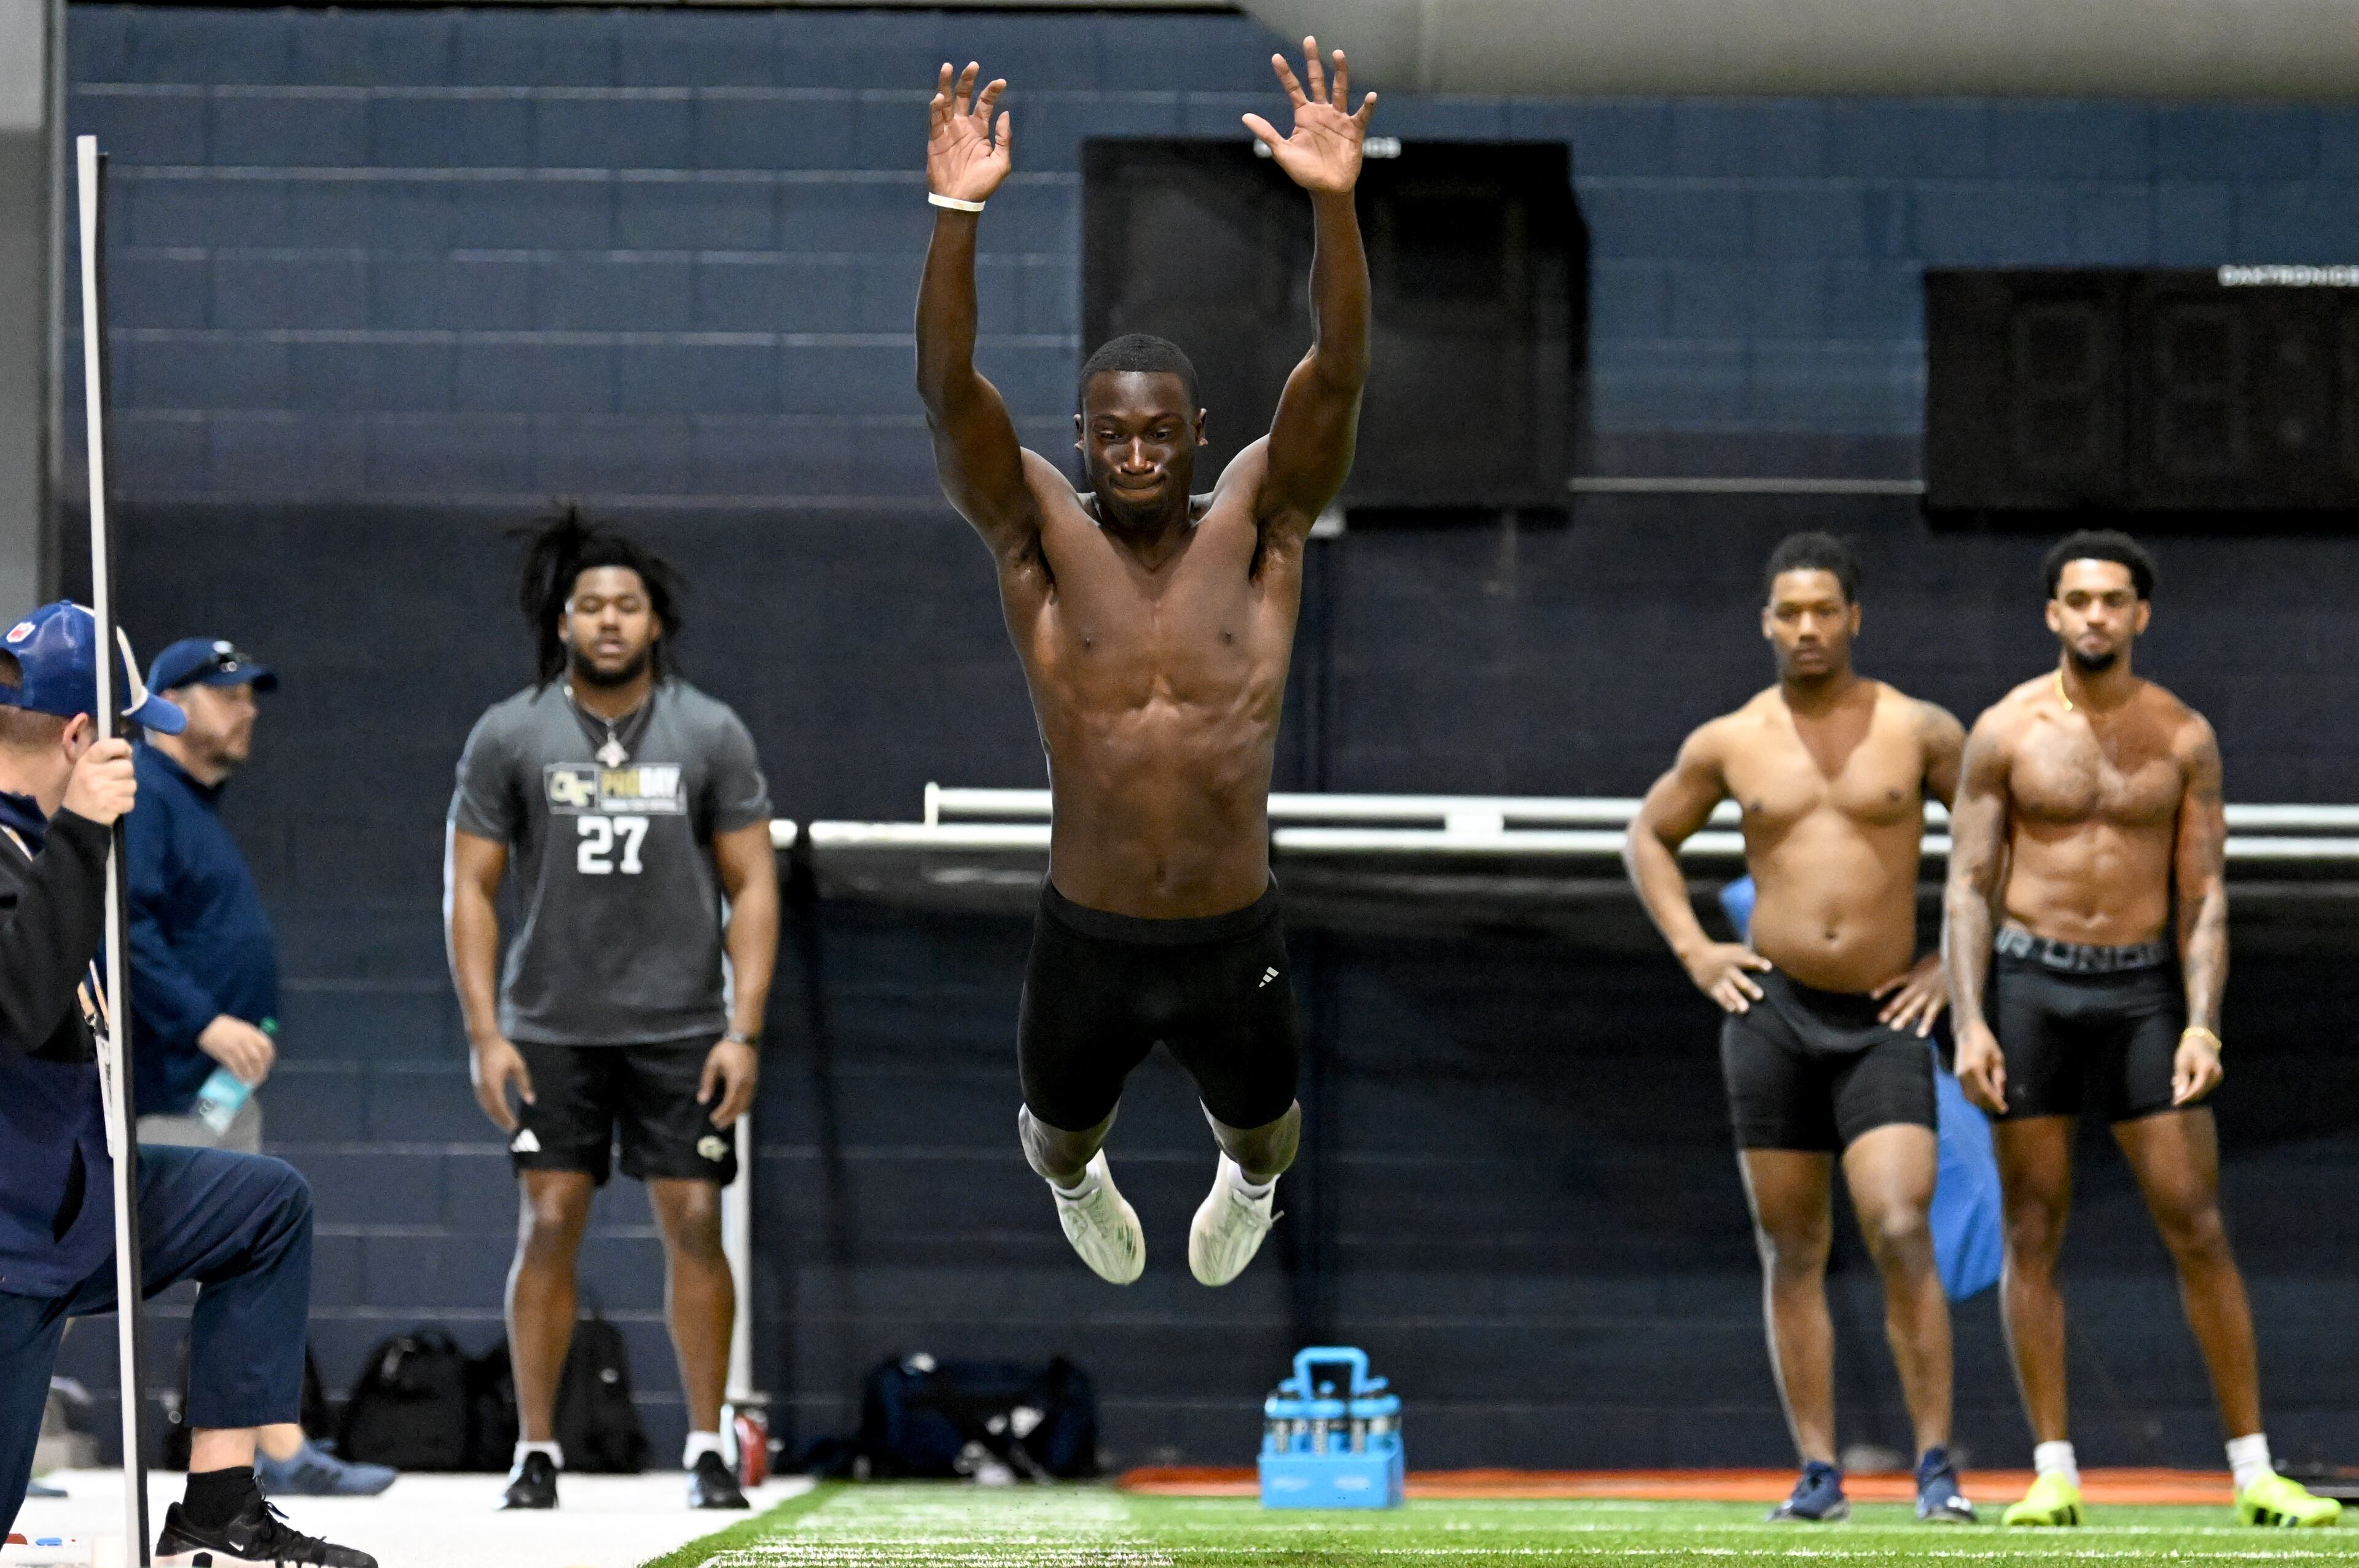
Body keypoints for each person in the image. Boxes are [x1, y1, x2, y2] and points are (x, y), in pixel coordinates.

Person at [913, 39, 1375, 1286]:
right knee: (1058, 1135)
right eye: (1112, 435)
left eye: (1159, 434)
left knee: (1270, 1129)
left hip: (1234, 929)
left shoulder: (1264, 524)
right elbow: (947, 390)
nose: (1135, 455)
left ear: (1199, 436)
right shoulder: (1038, 537)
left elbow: (1338, 375)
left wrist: (1335, 207)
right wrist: (957, 213)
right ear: (1080, 439)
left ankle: (1248, 1186)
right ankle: (1080, 1182)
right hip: (1090, 933)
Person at [1942, 531, 2340, 1530]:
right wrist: (1971, 1019)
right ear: (2052, 613)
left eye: (2113, 599)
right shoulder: (2005, 730)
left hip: (2139, 992)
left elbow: (2204, 896)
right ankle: (2053, 1471)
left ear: (2140, 614)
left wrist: (2204, 1024)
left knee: (2196, 1222)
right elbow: (1967, 886)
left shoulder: (2182, 735)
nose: (2096, 615)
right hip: (2032, 985)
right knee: (2032, 1226)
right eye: (2078, 599)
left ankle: (2254, 1471)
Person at [0, 601, 374, 1567]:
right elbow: (20, 999)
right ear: (81, 738)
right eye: (125, 736)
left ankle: (219, 1508)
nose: (136, 759)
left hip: (72, 1206)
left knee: (265, 1205)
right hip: (10, 1245)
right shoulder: (39, 841)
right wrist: (84, 828)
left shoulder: (43, 838)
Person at [1625, 535, 1973, 1524]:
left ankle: (1936, 1465)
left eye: (1825, 609)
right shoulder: (1731, 740)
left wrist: (1953, 963)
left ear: (1854, 617)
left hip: (1882, 1015)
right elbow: (1649, 836)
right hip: (1772, 1013)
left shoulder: (1919, 728)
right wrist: (1697, 951)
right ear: (1767, 623)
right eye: (1791, 612)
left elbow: (1995, 849)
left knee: (1900, 1222)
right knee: (1792, 1242)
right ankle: (1819, 1470)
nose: (1809, 627)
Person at [445, 512, 779, 1511]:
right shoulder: (510, 732)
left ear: (655, 622)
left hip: (683, 1026)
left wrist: (743, 1028)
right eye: (589, 605)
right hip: (552, 1024)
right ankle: (535, 1448)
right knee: (549, 1219)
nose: (607, 619)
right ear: (561, 622)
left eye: (626, 605)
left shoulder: (709, 731)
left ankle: (707, 1444)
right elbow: (470, 888)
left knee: (695, 1218)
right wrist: (486, 1033)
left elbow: (754, 884)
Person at [120, 637, 397, 1497]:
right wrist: (205, 1023)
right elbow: (123, 926)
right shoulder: (146, 793)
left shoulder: (191, 804)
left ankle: (275, 1447)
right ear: (170, 704)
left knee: (245, 1253)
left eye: (251, 697)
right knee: (79, 1256)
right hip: (163, 1082)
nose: (248, 712)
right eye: (229, 694)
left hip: (210, 1089)